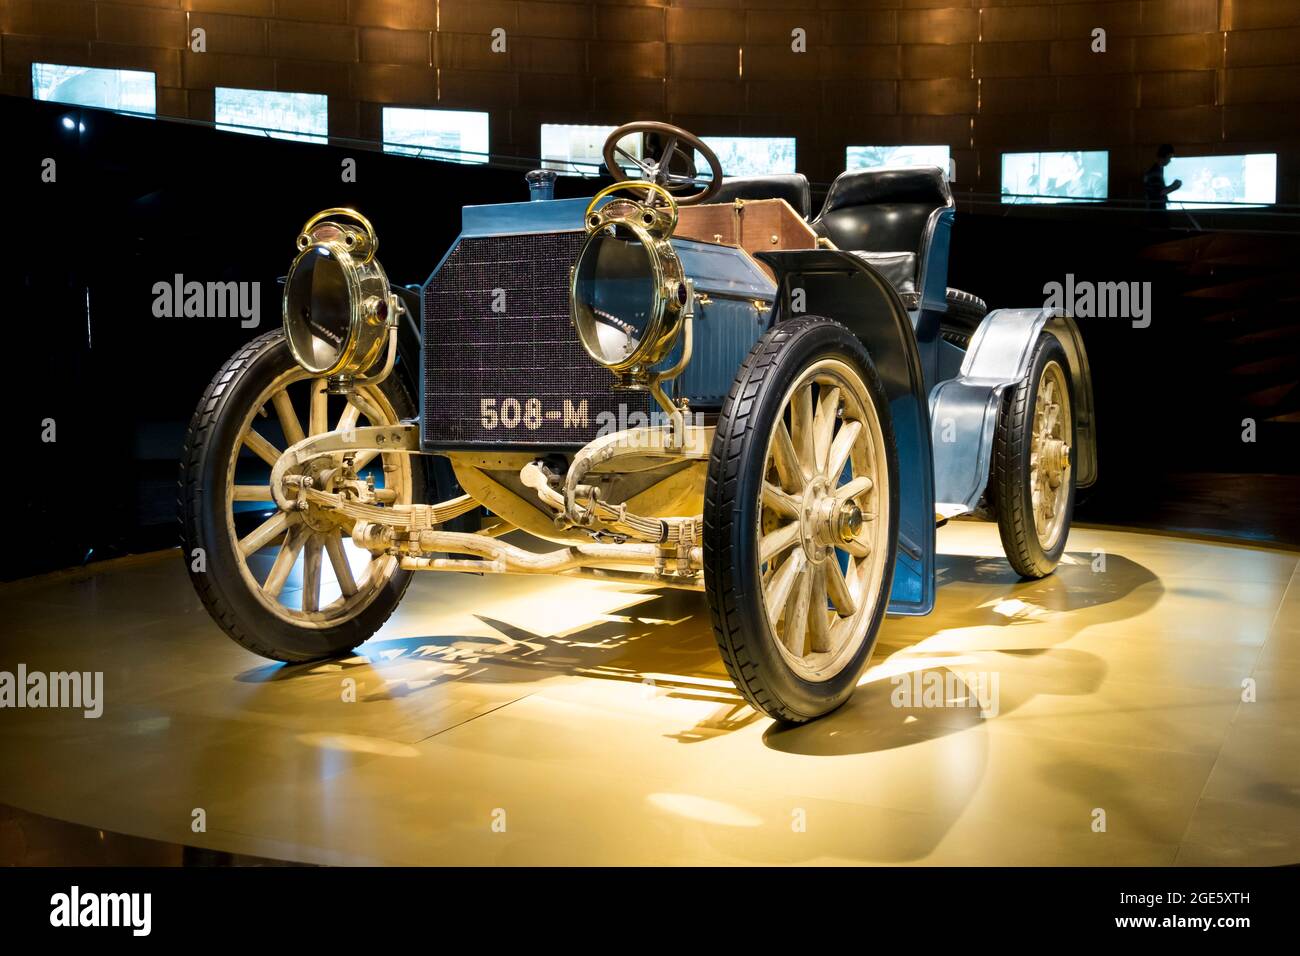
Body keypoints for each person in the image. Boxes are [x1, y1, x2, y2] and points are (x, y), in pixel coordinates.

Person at [1144, 144, 1182, 209]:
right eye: (1169, 158)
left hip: (1157, 208)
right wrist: (1174, 186)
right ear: (1164, 157)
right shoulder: (1154, 172)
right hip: (1156, 210)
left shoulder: (1158, 170)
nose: (1170, 161)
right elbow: (1159, 193)